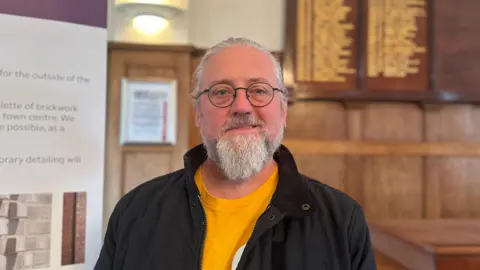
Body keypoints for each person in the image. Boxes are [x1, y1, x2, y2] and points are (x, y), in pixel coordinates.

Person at [95, 37, 377, 270]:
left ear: (283, 110)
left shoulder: (341, 220)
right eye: (221, 92)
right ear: (198, 114)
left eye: (258, 90)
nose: (241, 107)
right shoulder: (136, 212)